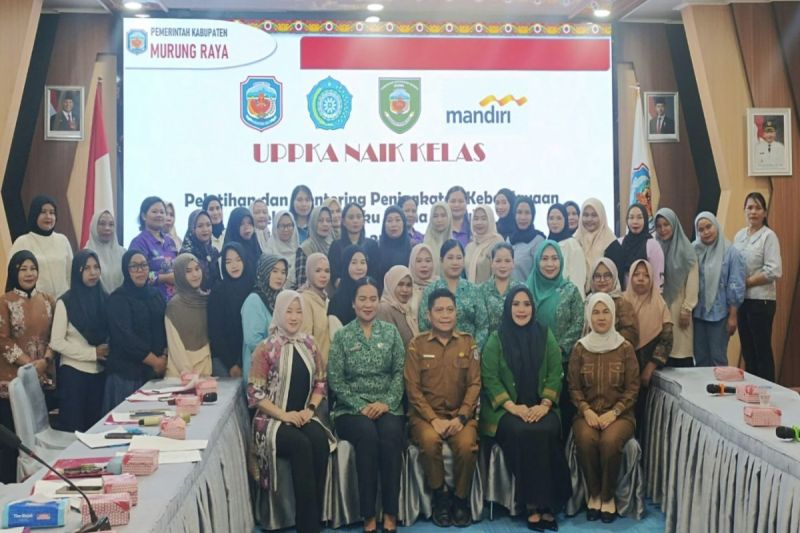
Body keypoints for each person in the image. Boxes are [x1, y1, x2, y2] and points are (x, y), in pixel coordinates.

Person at [479, 286, 571, 530]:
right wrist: (514, 407)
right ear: (508, 308)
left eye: (527, 304)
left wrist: (545, 404)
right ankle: (532, 504)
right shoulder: (496, 339)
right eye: (516, 304)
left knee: (546, 430)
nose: (521, 309)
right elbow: (490, 378)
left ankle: (548, 504)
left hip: (542, 406)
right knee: (523, 431)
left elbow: (556, 372)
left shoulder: (545, 334)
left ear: (533, 308)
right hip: (505, 411)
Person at [247, 290, 333, 533]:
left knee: (320, 441)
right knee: (301, 446)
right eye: (289, 311)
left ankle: (315, 517)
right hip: (270, 421)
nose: (294, 317)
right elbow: (254, 393)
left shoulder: (310, 344)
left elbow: (320, 383)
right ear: (278, 313)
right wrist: (284, 415)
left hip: (303, 416)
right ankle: (307, 527)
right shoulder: (266, 348)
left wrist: (310, 409)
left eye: (298, 311)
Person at [328, 277, 405, 533]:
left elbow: (400, 372)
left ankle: (391, 512)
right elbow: (336, 380)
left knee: (391, 435)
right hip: (351, 409)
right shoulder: (342, 336)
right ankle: (368, 514)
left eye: (373, 299)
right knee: (367, 436)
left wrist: (386, 403)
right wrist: (360, 406)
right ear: (353, 303)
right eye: (362, 299)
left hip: (387, 405)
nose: (368, 304)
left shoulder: (391, 333)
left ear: (379, 301)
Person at [405, 288, 481, 528]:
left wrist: (462, 417)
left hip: (460, 416)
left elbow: (475, 384)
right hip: (425, 417)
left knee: (467, 446)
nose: (445, 315)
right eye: (439, 310)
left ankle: (460, 500)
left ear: (456, 313)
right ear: (428, 315)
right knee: (430, 442)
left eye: (450, 310)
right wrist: (433, 419)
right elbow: (413, 389)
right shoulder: (417, 345)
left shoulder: (468, 342)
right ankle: (440, 498)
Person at [568, 292, 640, 524]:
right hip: (586, 414)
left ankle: (607, 497)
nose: (601, 317)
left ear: (613, 315)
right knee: (586, 439)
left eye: (606, 312)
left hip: (620, 415)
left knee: (610, 442)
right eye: (596, 312)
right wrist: (586, 410)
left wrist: (615, 412)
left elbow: (633, 388)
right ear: (589, 316)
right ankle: (594, 494)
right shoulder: (580, 348)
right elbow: (573, 386)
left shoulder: (625, 348)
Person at [0, 251, 57, 482]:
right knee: (13, 443)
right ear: (14, 272)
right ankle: (8, 489)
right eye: (23, 269)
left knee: (38, 439)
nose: (29, 273)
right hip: (11, 383)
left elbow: (55, 336)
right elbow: (2, 340)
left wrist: (46, 360)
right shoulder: (5, 301)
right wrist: (29, 365)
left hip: (42, 378)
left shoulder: (48, 300)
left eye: (33, 268)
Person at [527, 240, 584, 439]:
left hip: (563, 363)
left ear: (561, 261)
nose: (550, 264)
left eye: (554, 258)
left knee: (561, 417)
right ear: (537, 261)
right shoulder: (526, 290)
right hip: (531, 363)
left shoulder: (570, 290)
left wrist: (559, 349)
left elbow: (578, 322)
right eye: (544, 259)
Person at [103, 250, 167, 413]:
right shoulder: (118, 299)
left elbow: (165, 326)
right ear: (126, 270)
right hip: (127, 376)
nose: (140, 270)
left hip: (156, 373)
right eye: (134, 266)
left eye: (144, 265)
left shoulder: (155, 295)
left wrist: (164, 356)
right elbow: (125, 337)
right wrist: (155, 361)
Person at [50, 251, 108, 432]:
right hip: (73, 375)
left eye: (96, 267)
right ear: (77, 271)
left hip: (100, 373)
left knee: (95, 431)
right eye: (86, 268)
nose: (93, 272)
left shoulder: (105, 299)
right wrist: (92, 353)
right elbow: (56, 342)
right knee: (73, 431)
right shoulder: (65, 302)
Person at [733, 192, 782, 381]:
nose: (753, 212)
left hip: (761, 301)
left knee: (761, 350)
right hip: (742, 301)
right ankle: (751, 390)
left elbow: (774, 270)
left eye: (758, 208)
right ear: (744, 210)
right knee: (748, 351)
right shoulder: (739, 236)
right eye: (750, 207)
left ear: (765, 212)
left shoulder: (768, 236)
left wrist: (747, 282)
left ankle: (768, 390)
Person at [693, 212, 746, 367]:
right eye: (701, 230)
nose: (705, 232)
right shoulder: (694, 250)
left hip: (721, 315)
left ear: (716, 225)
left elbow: (736, 284)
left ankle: (721, 384)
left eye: (708, 227)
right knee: (700, 358)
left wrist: (733, 316)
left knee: (718, 358)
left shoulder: (731, 252)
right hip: (698, 314)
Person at [418, 240, 487, 350]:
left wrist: (474, 351)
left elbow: (483, 326)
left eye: (459, 258)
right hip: (437, 352)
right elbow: (423, 324)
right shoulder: (431, 290)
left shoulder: (474, 290)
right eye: (450, 258)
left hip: (468, 352)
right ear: (441, 260)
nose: (455, 262)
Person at [655, 208, 698, 366]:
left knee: (680, 351)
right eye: (659, 226)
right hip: (660, 308)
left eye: (666, 225)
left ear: (674, 225)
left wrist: (687, 308)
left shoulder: (687, 250)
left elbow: (692, 282)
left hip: (680, 307)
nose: (663, 229)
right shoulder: (656, 247)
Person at [623, 260, 672, 397]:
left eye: (646, 275)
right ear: (630, 277)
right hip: (623, 367)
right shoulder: (621, 302)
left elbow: (667, 340)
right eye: (636, 274)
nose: (641, 279)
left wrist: (651, 366)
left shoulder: (660, 304)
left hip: (650, 370)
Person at [9, 195, 72, 297]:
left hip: (63, 301)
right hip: (34, 301)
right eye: (43, 212)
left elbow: (70, 274)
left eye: (52, 212)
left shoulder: (62, 240)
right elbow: (13, 276)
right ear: (35, 214)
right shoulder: (22, 242)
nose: (48, 216)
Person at [208, 243, 253, 378]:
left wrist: (241, 362)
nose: (234, 265)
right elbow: (215, 332)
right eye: (228, 262)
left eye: (238, 260)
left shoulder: (253, 289)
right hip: (224, 358)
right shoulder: (218, 292)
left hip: (249, 356)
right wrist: (231, 364)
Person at [241, 254, 288, 384]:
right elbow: (253, 341)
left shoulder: (281, 298)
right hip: (259, 373)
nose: (280, 276)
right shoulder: (254, 301)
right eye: (274, 271)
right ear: (265, 272)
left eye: (283, 272)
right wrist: (279, 354)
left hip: (279, 371)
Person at [165, 254, 212, 377]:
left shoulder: (206, 299)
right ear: (180, 275)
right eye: (188, 271)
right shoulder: (174, 306)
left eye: (197, 269)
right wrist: (187, 373)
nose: (195, 274)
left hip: (206, 368)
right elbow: (175, 346)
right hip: (179, 374)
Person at [129, 196, 177, 301]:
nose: (159, 215)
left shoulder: (170, 241)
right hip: (150, 301)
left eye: (162, 212)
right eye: (154, 212)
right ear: (143, 216)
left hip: (174, 302)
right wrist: (167, 278)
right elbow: (138, 274)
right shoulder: (139, 242)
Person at [588, 258, 639, 348]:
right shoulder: (587, 302)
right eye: (597, 276)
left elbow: (631, 335)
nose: (602, 280)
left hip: (615, 353)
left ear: (614, 277)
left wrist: (605, 342)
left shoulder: (622, 304)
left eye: (607, 275)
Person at [573, 198, 623, 290]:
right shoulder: (574, 242)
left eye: (594, 215)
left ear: (601, 216)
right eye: (586, 215)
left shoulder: (611, 244)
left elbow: (618, 279)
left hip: (605, 295)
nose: (589, 219)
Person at [328, 203, 379, 287]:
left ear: (363, 221)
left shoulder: (372, 245)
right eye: (351, 217)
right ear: (343, 221)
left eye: (359, 217)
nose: (355, 221)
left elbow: (375, 274)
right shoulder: (336, 246)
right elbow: (334, 275)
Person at [478, 243, 524, 336]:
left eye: (507, 261)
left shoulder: (522, 290)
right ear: (492, 263)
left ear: (513, 263)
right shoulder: (481, 290)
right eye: (498, 261)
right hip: (488, 342)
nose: (503, 265)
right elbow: (480, 325)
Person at [299, 253, 335, 365]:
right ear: (309, 272)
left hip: (329, 366)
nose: (323, 275)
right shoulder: (304, 299)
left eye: (327, 271)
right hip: (314, 367)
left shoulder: (326, 299)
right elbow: (305, 340)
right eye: (318, 271)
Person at [618, 204, 664, 290]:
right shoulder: (620, 242)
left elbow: (657, 279)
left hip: (646, 295)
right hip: (623, 295)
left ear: (645, 220)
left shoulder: (653, 245)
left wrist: (655, 296)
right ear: (627, 220)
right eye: (631, 217)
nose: (635, 222)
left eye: (639, 217)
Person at [547, 203, 587, 296]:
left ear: (565, 220)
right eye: (551, 218)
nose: (554, 222)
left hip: (567, 300)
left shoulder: (572, 245)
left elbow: (577, 281)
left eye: (559, 218)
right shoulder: (546, 245)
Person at [377, 265, 419, 347]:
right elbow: (386, 345)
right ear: (391, 285)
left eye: (408, 285)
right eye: (400, 284)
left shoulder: (407, 309)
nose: (405, 290)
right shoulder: (384, 309)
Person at [85, 210, 126, 293]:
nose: (107, 228)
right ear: (94, 226)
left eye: (111, 224)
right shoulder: (86, 254)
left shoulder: (123, 253)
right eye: (102, 224)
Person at [179, 210, 221, 291]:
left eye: (208, 225)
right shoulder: (186, 254)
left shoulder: (214, 252)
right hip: (192, 297)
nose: (205, 229)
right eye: (200, 226)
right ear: (192, 229)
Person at [328, 245, 369, 326]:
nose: (359, 267)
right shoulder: (337, 300)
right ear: (346, 265)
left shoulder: (370, 293)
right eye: (354, 262)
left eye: (362, 262)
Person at [294, 206, 333, 289]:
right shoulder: (305, 248)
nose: (325, 224)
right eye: (320, 221)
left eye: (328, 221)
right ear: (313, 222)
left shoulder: (334, 246)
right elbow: (301, 283)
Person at [509, 197, 545, 283]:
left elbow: (540, 275)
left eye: (527, 213)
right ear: (514, 215)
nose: (523, 217)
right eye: (519, 212)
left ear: (533, 215)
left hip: (527, 290)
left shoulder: (538, 241)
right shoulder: (508, 240)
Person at [464, 205, 504, 284]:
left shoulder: (498, 244)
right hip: (469, 291)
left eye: (484, 218)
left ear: (490, 220)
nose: (479, 222)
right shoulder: (469, 247)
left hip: (492, 291)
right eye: (476, 219)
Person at [264, 210, 299, 286]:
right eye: (282, 226)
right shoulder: (268, 252)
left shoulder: (300, 251)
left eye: (289, 225)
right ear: (275, 227)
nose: (286, 229)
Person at [378, 206, 412, 284]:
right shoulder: (376, 249)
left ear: (404, 223)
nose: (393, 224)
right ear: (384, 225)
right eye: (389, 221)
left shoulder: (412, 249)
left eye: (397, 220)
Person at [223, 207, 262, 273]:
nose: (247, 227)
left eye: (250, 223)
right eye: (241, 224)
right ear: (234, 227)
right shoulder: (230, 251)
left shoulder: (255, 246)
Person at [422, 202, 453, 277]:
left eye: (443, 215)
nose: (439, 220)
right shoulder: (424, 246)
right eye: (435, 216)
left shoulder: (455, 245)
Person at [408, 243, 435, 322]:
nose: (424, 265)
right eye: (419, 261)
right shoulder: (405, 287)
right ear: (412, 263)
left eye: (428, 261)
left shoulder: (440, 286)